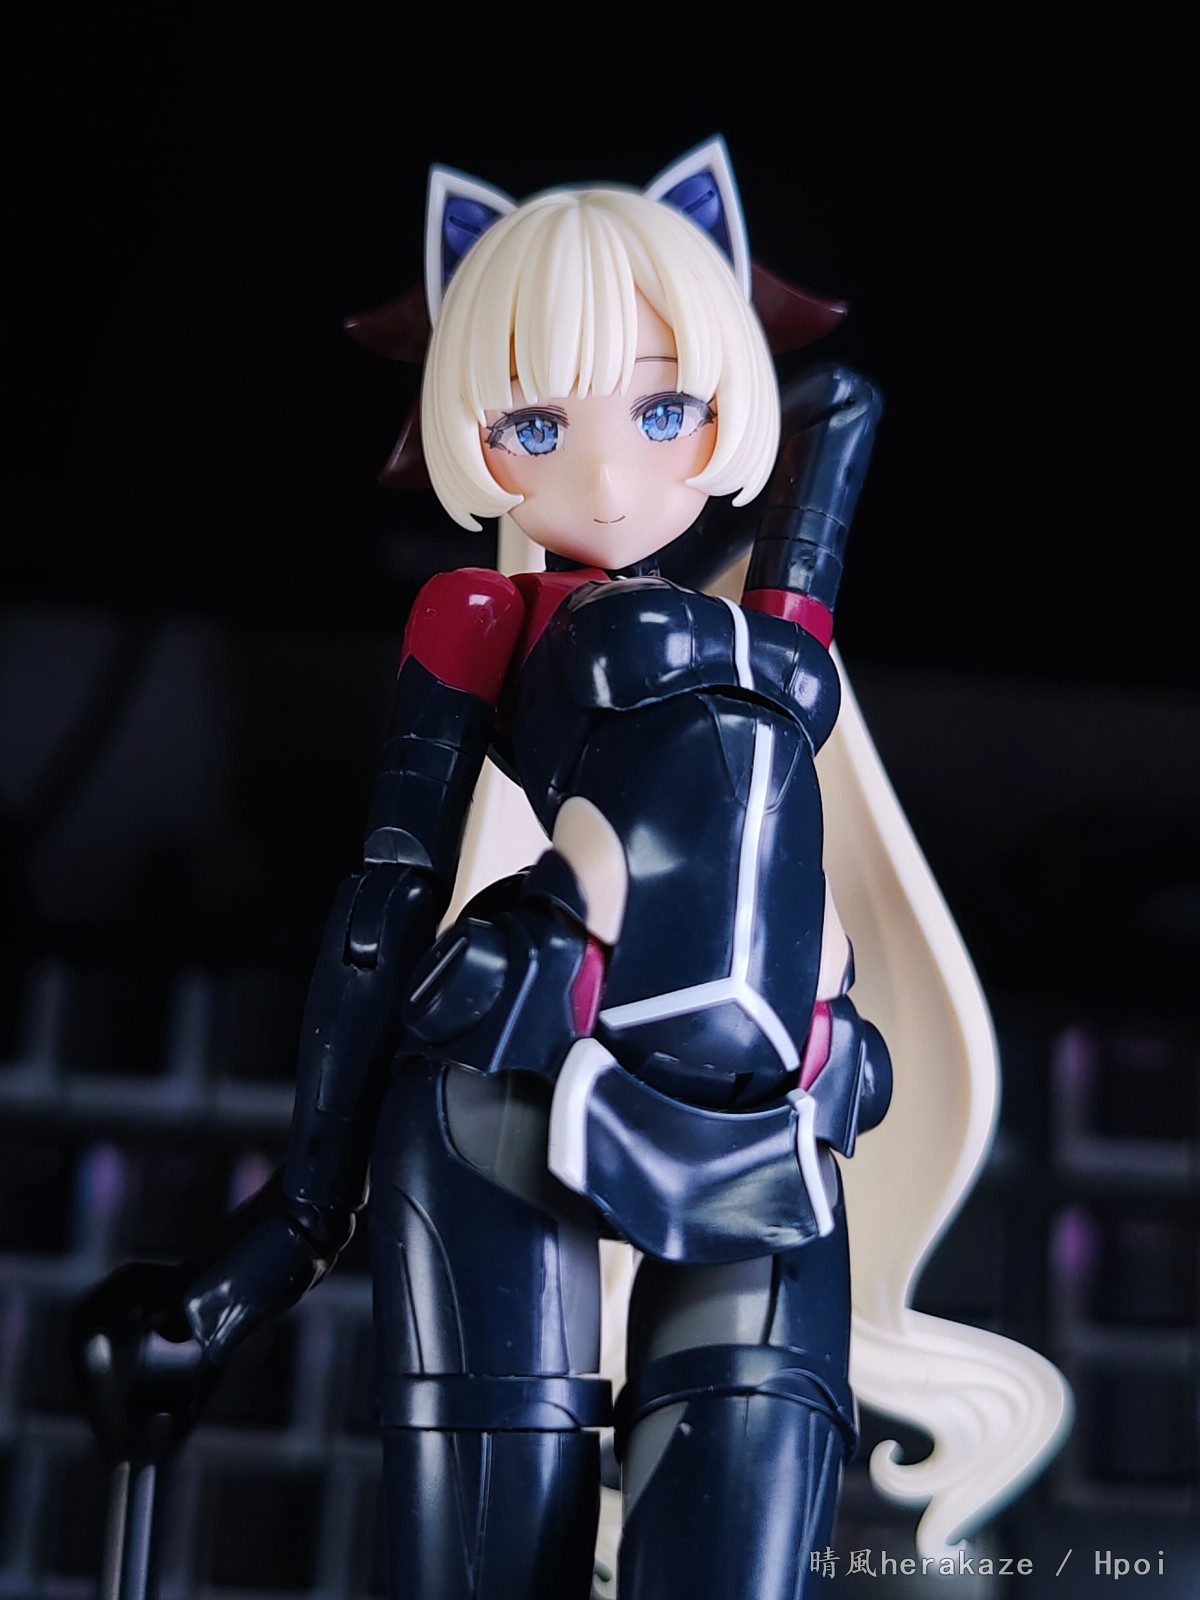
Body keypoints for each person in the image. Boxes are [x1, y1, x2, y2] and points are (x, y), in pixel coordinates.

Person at [76, 140, 1070, 1600]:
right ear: (473, 433)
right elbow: (389, 895)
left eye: (662, 409)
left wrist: (745, 365)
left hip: (775, 1114)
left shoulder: (783, 627)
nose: (606, 475)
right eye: (536, 424)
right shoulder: (486, 614)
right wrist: (283, 1233)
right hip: (518, 1080)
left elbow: (838, 417)